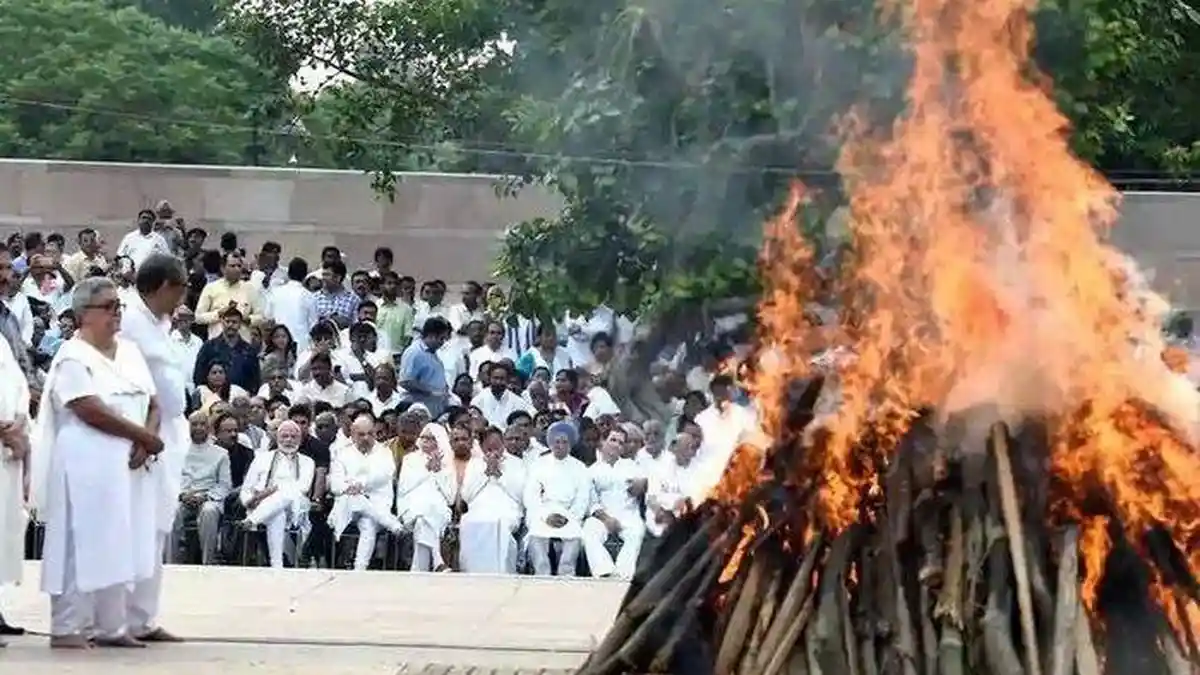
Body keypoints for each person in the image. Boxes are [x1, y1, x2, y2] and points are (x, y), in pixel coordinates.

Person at [31, 277, 165, 649]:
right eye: (108, 307)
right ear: (83, 314)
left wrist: (147, 435)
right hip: (85, 461)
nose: (116, 314)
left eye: (118, 306)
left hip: (129, 464)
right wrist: (141, 436)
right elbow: (88, 408)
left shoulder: (130, 352)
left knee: (120, 539)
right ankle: (69, 626)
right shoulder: (72, 355)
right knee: (80, 541)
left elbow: (154, 402)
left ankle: (112, 626)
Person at [119, 254, 189, 643]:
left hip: (170, 432)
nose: (181, 301)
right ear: (163, 286)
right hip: (143, 432)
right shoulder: (127, 320)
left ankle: (143, 617)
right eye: (178, 291)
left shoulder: (158, 322)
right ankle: (118, 618)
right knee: (136, 526)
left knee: (157, 526)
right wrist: (141, 433)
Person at [328, 414, 405, 570]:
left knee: (368, 524)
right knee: (355, 498)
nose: (366, 438)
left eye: (370, 434)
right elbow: (335, 485)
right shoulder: (342, 454)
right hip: (347, 507)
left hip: (378, 503)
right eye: (361, 434)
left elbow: (384, 475)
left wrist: (359, 484)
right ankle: (392, 524)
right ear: (352, 434)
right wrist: (350, 488)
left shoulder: (384, 452)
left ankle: (359, 569)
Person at [237, 421, 316, 568]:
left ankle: (251, 521)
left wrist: (271, 491)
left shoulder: (307, 462)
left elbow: (302, 488)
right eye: (284, 436)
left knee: (286, 493)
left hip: (295, 506)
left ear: (300, 439)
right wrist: (250, 501)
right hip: (262, 506)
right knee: (278, 514)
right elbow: (246, 489)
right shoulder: (261, 458)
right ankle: (277, 565)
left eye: (293, 436)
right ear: (277, 438)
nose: (289, 440)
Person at [524, 421, 591, 577]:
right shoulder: (539, 465)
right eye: (557, 442)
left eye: (564, 442)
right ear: (550, 443)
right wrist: (545, 516)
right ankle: (542, 572)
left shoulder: (579, 467)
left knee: (573, 534)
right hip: (544, 511)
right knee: (536, 532)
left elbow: (582, 498)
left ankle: (566, 572)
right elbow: (531, 496)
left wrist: (569, 517)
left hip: (569, 514)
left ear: (570, 444)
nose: (560, 445)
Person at [458, 426, 525, 574]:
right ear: (481, 447)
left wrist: (499, 475)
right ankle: (473, 572)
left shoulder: (517, 463)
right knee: (470, 522)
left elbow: (520, 496)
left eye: (497, 447)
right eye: (489, 448)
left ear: (503, 444)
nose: (493, 452)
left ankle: (501, 572)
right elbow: (467, 496)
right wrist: (486, 473)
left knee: (499, 523)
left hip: (507, 508)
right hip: (479, 507)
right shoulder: (475, 463)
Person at [582, 428, 645, 580]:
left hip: (629, 513)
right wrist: (606, 518)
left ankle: (623, 574)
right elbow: (590, 501)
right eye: (613, 440)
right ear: (602, 442)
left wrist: (643, 483)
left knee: (638, 532)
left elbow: (648, 482)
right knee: (589, 531)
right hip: (603, 515)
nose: (616, 445)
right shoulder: (591, 471)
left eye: (621, 443)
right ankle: (604, 572)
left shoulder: (631, 465)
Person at [0, 326, 30, 647]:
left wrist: (19, 423)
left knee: (3, 532)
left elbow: (19, 386)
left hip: (6, 454)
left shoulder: (1, 342)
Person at [395, 423, 457, 572]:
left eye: (431, 438)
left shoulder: (447, 461)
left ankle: (418, 570)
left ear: (439, 440)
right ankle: (437, 560)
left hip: (438, 510)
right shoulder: (410, 459)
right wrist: (427, 470)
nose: (426, 441)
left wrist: (438, 472)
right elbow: (404, 487)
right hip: (410, 505)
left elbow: (450, 497)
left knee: (423, 519)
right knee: (424, 509)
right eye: (423, 437)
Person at [172, 411, 231, 565]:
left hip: (208, 497)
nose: (198, 428)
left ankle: (208, 562)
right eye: (194, 424)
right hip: (183, 496)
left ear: (209, 427)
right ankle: (171, 563)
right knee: (172, 510)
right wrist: (181, 495)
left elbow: (225, 485)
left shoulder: (221, 454)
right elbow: (170, 479)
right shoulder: (177, 451)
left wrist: (206, 497)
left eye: (202, 424)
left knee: (209, 511)